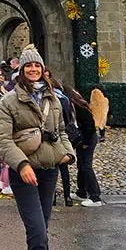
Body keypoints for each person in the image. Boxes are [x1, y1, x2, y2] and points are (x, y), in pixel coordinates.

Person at [0, 45, 76, 250]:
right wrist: (22, 165)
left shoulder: (52, 97)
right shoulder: (9, 102)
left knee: (40, 233)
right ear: (21, 70)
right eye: (28, 66)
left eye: (37, 66)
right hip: (25, 175)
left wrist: (67, 153)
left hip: (49, 171)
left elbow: (62, 130)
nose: (33, 70)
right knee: (38, 235)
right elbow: (1, 139)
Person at [44, 70, 79, 207]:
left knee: (52, 168)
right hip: (62, 134)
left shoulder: (54, 99)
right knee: (62, 169)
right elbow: (70, 117)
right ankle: (67, 197)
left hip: (54, 135)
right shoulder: (64, 98)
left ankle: (52, 198)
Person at [67, 87, 103, 207]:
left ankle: (95, 196)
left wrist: (86, 141)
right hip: (83, 138)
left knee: (87, 166)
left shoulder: (78, 107)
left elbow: (89, 124)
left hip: (88, 138)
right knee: (81, 165)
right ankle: (81, 191)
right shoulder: (76, 104)